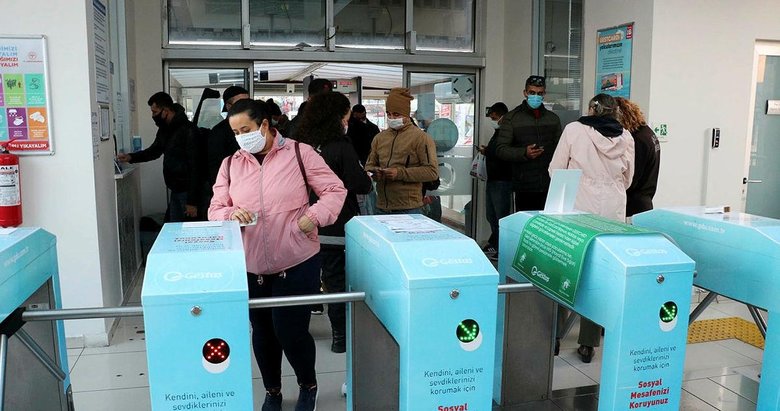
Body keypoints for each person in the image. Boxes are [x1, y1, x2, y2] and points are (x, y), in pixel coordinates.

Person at [208, 99, 347, 411]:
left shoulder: (300, 153)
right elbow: (215, 208)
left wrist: (314, 217)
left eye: (246, 129)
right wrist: (231, 214)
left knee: (291, 330)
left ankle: (307, 385)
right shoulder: (232, 163)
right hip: (251, 263)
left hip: (297, 260)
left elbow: (335, 190)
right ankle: (273, 391)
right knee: (263, 333)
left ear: (266, 126)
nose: (241, 137)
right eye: (236, 132)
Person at [548, 93, 634, 363]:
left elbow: (556, 169)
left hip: (577, 210)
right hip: (612, 213)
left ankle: (555, 336)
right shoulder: (626, 137)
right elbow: (628, 178)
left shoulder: (574, 130)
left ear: (591, 109)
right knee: (600, 276)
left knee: (565, 267)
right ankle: (588, 344)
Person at [295, 92, 373, 354]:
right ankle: (340, 337)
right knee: (337, 281)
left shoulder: (299, 145)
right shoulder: (340, 146)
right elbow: (360, 183)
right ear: (339, 117)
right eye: (347, 114)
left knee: (305, 278)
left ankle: (298, 330)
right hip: (337, 225)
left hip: (304, 223)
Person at [117, 92, 203, 222]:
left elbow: (196, 167)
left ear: (166, 110)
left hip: (188, 193)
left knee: (188, 234)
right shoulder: (165, 129)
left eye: (155, 112)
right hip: (176, 190)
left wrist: (192, 202)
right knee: (173, 231)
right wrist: (130, 157)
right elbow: (154, 151)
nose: (153, 116)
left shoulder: (189, 130)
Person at [365, 88, 439, 214]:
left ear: (407, 114)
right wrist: (375, 172)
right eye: (389, 114)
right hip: (381, 206)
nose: (392, 118)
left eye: (397, 114)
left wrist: (399, 173)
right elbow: (369, 165)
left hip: (409, 208)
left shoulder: (421, 138)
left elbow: (432, 172)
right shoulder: (380, 138)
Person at [495, 75, 562, 211]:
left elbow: (560, 149)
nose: (535, 96)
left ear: (544, 94)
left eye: (539, 93)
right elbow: (500, 149)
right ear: (525, 93)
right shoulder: (512, 118)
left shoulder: (553, 119)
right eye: (532, 93)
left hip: (549, 184)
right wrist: (524, 153)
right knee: (526, 226)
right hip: (523, 185)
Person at [615, 97, 660, 218]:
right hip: (644, 202)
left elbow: (633, 178)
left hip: (632, 207)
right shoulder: (648, 133)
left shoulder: (636, 140)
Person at [478, 102, 512, 260]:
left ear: (502, 116)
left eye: (494, 118)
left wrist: (488, 151)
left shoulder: (508, 132)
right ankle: (494, 243)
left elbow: (503, 153)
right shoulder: (497, 132)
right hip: (493, 178)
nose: (492, 120)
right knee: (491, 215)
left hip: (502, 180)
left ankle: (502, 248)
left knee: (500, 216)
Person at [205, 86, 247, 205]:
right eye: (241, 103)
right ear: (228, 106)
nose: (246, 106)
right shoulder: (219, 132)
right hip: (230, 191)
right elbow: (215, 168)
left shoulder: (255, 128)